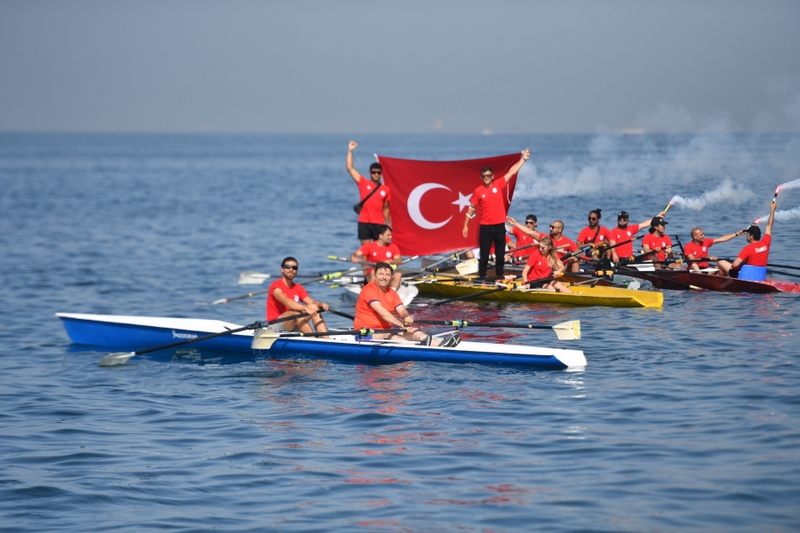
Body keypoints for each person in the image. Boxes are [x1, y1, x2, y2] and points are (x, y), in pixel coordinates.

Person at [462, 148, 531, 282]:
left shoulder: (498, 184)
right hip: (485, 227)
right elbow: (471, 208)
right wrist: (465, 225)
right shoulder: (478, 191)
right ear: (481, 177)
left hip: (499, 226)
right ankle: (482, 277)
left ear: (492, 176)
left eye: (488, 176)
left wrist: (523, 159)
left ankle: (499, 276)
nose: (486, 178)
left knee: (500, 254)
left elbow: (512, 171)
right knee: (484, 254)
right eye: (484, 176)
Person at [354, 262, 460, 347]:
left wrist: (406, 316)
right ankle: (427, 348)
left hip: (385, 330)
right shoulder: (368, 290)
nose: (384, 277)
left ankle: (440, 346)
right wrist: (401, 325)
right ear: (375, 275)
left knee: (415, 331)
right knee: (399, 339)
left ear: (391, 277)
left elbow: (401, 309)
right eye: (381, 274)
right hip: (365, 332)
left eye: (387, 275)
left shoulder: (391, 293)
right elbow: (384, 314)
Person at [717, 200, 778, 279]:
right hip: (759, 277)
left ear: (751, 236)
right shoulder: (766, 242)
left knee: (720, 262)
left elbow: (735, 265)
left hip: (745, 277)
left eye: (747, 234)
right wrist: (772, 210)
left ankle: (722, 283)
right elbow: (769, 226)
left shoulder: (748, 248)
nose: (746, 236)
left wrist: (736, 266)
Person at [267, 257, 329, 333]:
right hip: (275, 327)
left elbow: (311, 302)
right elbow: (288, 303)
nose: (291, 269)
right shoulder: (276, 287)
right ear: (282, 269)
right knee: (296, 312)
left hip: (294, 323)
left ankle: (325, 339)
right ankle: (312, 340)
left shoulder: (298, 288)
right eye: (287, 267)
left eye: (294, 268)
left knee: (314, 307)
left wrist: (320, 305)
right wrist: (305, 308)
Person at [347, 140, 391, 244]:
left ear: (381, 174)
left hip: (379, 224)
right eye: (373, 172)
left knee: (379, 251)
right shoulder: (363, 182)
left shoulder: (386, 189)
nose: (376, 174)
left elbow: (386, 210)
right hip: (364, 222)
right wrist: (350, 151)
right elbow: (349, 168)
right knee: (366, 251)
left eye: (378, 172)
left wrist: (388, 226)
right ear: (370, 173)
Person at [350, 224, 403, 288]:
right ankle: (374, 291)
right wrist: (353, 257)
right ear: (380, 236)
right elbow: (355, 254)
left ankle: (392, 293)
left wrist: (391, 261)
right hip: (372, 273)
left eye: (391, 235)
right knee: (373, 273)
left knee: (398, 274)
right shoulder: (370, 246)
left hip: (387, 273)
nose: (390, 237)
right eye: (388, 235)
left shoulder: (393, 247)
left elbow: (399, 260)